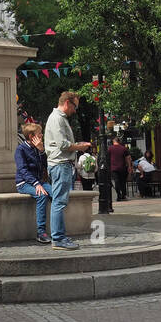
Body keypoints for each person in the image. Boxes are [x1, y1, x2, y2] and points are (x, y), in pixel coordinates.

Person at [44, 91, 92, 250]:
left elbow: (63, 143)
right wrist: (80, 147)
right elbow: (62, 145)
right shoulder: (57, 119)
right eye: (74, 106)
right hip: (60, 164)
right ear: (67, 103)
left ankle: (60, 236)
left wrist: (77, 144)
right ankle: (58, 239)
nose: (75, 110)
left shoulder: (59, 118)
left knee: (59, 201)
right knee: (59, 202)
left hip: (61, 164)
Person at [15, 121, 54, 243]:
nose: (42, 136)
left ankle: (57, 230)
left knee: (56, 195)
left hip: (40, 181)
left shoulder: (38, 148)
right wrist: (36, 184)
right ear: (32, 136)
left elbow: (45, 166)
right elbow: (23, 170)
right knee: (42, 196)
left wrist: (42, 151)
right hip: (24, 183)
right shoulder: (20, 150)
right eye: (39, 134)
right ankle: (41, 232)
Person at [108, 136, 130, 201]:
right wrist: (129, 166)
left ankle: (118, 195)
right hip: (122, 167)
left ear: (113, 141)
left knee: (116, 182)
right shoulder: (124, 148)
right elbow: (128, 158)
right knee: (123, 182)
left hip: (113, 168)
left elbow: (108, 158)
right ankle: (123, 195)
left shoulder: (110, 148)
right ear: (119, 141)